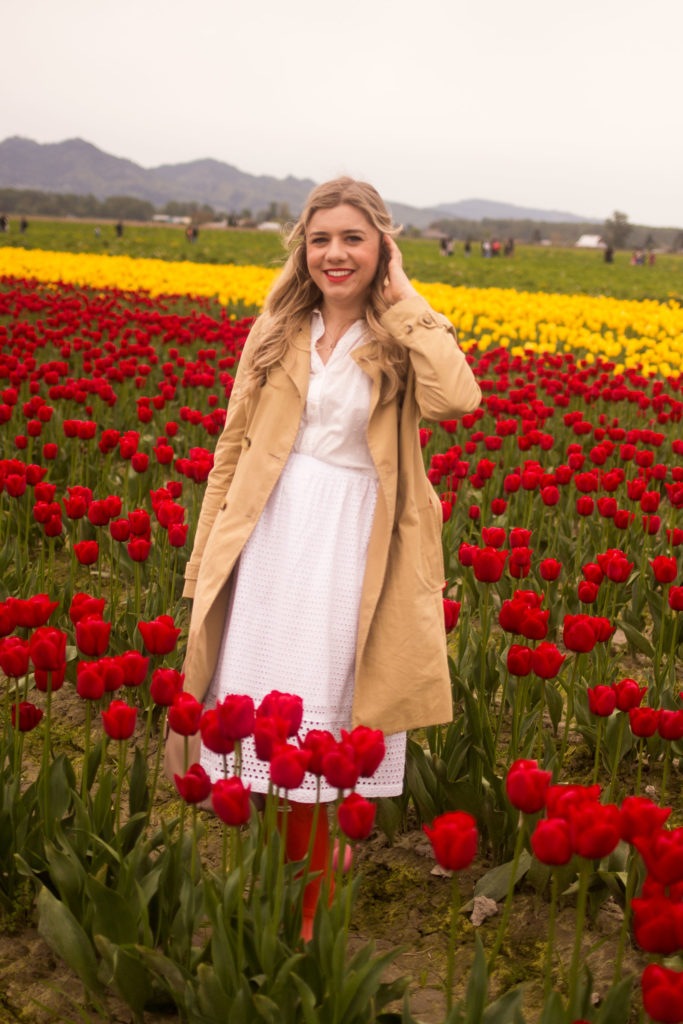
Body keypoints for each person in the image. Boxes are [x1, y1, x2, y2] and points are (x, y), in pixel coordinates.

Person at [165, 177, 481, 937]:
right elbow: (231, 447)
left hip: (350, 543)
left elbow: (457, 399)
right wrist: (203, 560)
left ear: (381, 248)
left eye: (352, 239)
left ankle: (312, 910)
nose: (334, 254)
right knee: (258, 713)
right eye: (320, 240)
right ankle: (304, 868)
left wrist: (404, 299)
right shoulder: (278, 329)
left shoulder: (400, 335)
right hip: (267, 534)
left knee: (319, 719)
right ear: (301, 250)